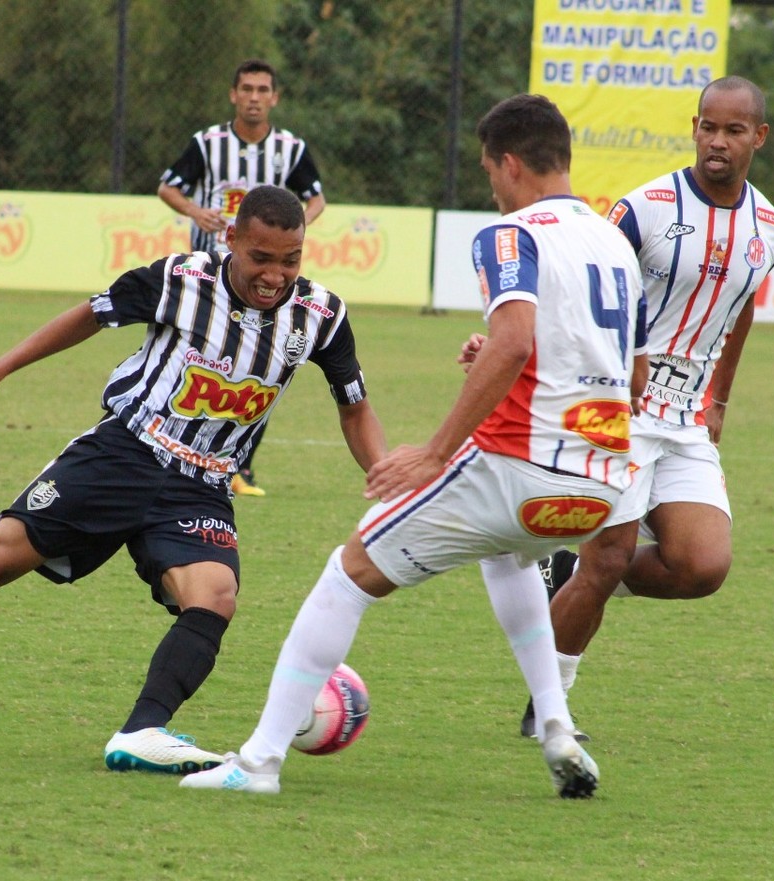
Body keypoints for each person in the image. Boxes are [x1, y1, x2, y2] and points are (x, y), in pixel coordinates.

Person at [0, 186, 387, 776]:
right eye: (261, 257)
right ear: (230, 239)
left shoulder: (321, 317)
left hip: (200, 485)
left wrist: (385, 472)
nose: (274, 275)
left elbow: (354, 408)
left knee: (215, 597)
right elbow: (88, 316)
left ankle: (141, 731)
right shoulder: (178, 279)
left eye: (290, 260)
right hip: (122, 455)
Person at [179, 93, 647, 799]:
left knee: (348, 571)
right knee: (507, 552)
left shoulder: (510, 235)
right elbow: (625, 371)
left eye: (490, 170)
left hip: (519, 469)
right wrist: (503, 358)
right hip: (602, 483)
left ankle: (259, 760)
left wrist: (434, 451)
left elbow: (517, 340)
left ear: (511, 164)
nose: (491, 187)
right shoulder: (615, 242)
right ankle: (556, 725)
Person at [518, 75, 774, 739]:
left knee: (701, 566)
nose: (716, 141)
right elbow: (587, 286)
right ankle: (550, 708)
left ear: (759, 137)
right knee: (610, 558)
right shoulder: (644, 208)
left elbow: (743, 302)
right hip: (621, 406)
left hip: (689, 418)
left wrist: (720, 395)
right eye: (707, 126)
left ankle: (580, 574)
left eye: (732, 130)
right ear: (693, 128)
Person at [158, 58, 327, 497]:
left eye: (262, 90)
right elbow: (167, 186)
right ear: (234, 94)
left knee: (264, 365)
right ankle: (176, 447)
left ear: (275, 97)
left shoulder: (289, 148)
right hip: (210, 275)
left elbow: (317, 199)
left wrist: (296, 230)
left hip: (264, 280)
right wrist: (196, 211)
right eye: (247, 89)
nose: (254, 97)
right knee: (197, 359)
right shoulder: (208, 143)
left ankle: (238, 467)